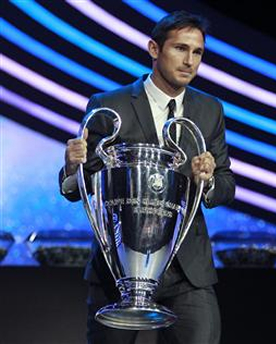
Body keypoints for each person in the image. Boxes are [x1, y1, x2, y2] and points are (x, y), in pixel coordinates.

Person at [59, 11, 235, 344]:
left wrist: (208, 180)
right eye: (180, 49)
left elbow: (226, 187)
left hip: (187, 269)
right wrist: (72, 168)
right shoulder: (110, 105)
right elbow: (82, 183)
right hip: (119, 267)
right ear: (154, 48)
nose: (189, 61)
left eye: (197, 52)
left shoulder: (210, 109)